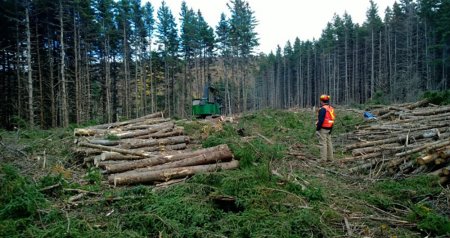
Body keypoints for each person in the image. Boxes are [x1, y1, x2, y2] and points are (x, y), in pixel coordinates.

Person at [316, 94, 335, 161]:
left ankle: (323, 159)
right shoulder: (331, 108)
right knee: (329, 143)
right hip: (329, 128)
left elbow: (321, 120)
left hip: (323, 128)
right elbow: (332, 119)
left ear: (321, 101)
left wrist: (318, 128)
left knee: (323, 144)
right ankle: (330, 158)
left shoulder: (323, 109)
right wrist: (331, 128)